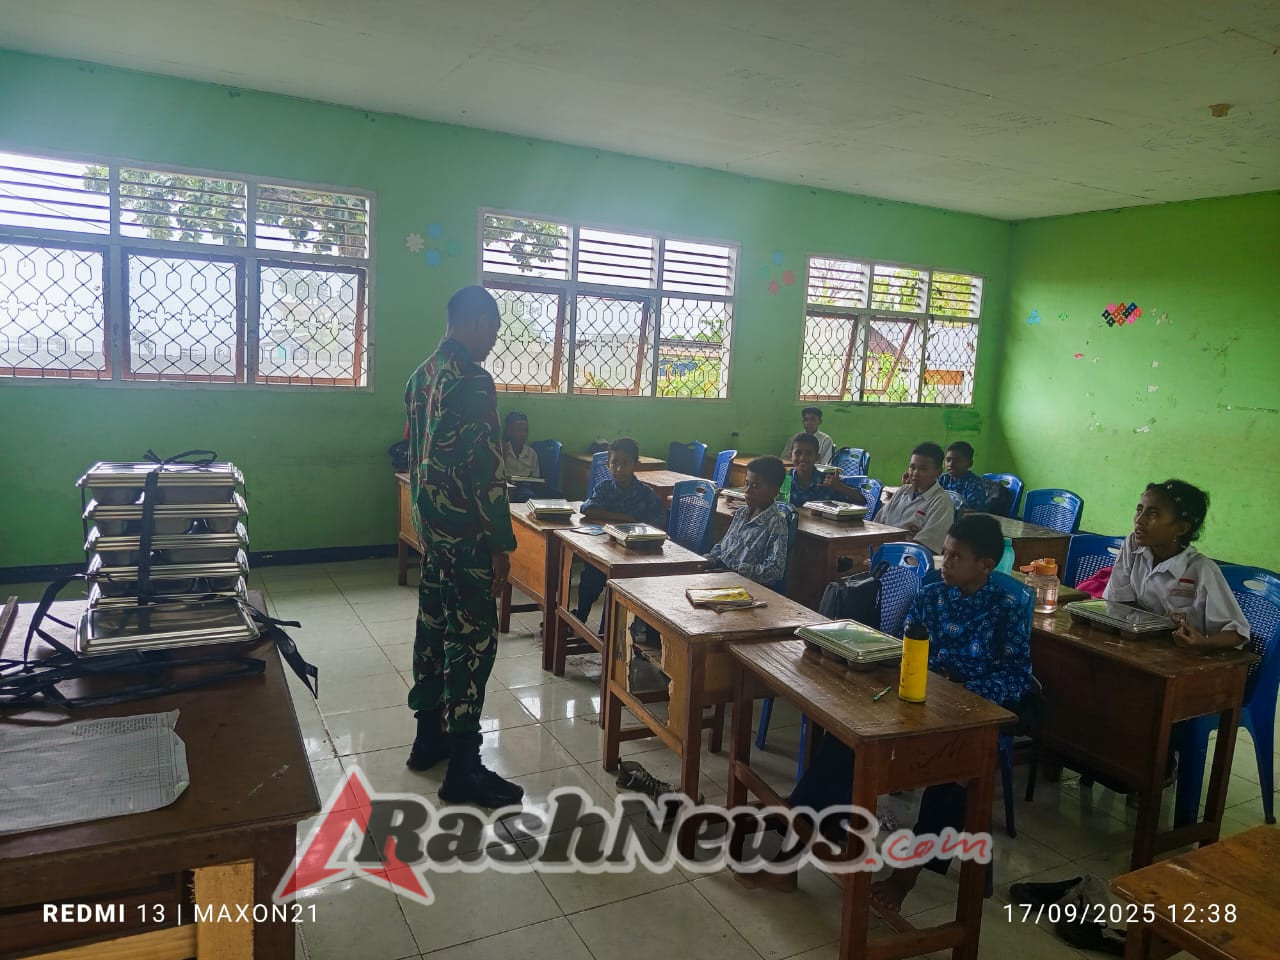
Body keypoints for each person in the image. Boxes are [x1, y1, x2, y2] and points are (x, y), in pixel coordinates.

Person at [741, 515, 1035, 896]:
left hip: (970, 714)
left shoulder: (1006, 608)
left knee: (956, 774)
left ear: (985, 565)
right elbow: (901, 650)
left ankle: (905, 876)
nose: (945, 562)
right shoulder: (931, 595)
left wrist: (965, 691)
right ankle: (797, 845)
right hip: (914, 700)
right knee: (848, 739)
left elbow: (1017, 676)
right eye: (944, 552)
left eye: (956, 556)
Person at [403, 285, 523, 808]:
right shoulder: (473, 381)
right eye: (492, 331)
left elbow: (415, 458)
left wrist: (425, 526)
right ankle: (464, 769)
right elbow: (486, 471)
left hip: (432, 532)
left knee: (432, 629)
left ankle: (428, 738)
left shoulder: (421, 376)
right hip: (467, 536)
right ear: (475, 323)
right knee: (472, 642)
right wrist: (501, 543)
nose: (493, 342)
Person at [1104, 480, 1249, 649]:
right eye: (1139, 510)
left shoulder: (1201, 569)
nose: (1139, 520)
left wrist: (1203, 642)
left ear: (1181, 528)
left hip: (1182, 655)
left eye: (1153, 514)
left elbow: (1237, 633)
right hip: (1141, 647)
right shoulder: (1133, 546)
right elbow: (1116, 602)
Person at [573, 438, 664, 624]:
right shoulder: (605, 488)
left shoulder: (645, 493)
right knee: (591, 576)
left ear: (636, 465)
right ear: (608, 464)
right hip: (606, 550)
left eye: (626, 463)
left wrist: (641, 531)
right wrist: (626, 518)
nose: (619, 469)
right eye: (615, 462)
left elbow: (659, 522)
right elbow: (587, 508)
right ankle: (580, 616)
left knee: (620, 589)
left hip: (635, 556)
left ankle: (608, 631)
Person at [705, 456, 791, 588]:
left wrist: (735, 572)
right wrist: (708, 560)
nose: (747, 490)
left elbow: (774, 571)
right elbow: (722, 546)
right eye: (746, 484)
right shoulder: (741, 513)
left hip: (743, 585)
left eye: (755, 486)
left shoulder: (777, 524)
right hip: (721, 574)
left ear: (774, 490)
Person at [878, 442, 955, 554]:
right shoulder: (902, 491)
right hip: (882, 551)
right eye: (912, 467)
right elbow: (878, 524)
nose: (915, 473)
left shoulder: (941, 502)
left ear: (938, 472)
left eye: (923, 469)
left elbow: (926, 546)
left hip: (907, 558)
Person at [784, 433, 864, 508]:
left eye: (808, 453)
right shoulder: (784, 480)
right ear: (790, 455)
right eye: (798, 453)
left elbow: (861, 500)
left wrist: (840, 486)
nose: (802, 458)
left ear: (817, 457)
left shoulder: (829, 481)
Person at [501, 411, 554, 503]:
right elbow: (497, 475)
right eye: (518, 430)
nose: (523, 434)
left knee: (533, 497)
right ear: (509, 432)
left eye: (525, 430)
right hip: (507, 487)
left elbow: (536, 478)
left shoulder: (531, 453)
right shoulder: (502, 450)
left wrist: (539, 484)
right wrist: (504, 454)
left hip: (525, 488)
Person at [938, 441, 987, 513]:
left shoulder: (975, 483)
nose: (951, 464)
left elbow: (973, 510)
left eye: (957, 461)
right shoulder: (942, 479)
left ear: (970, 463)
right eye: (948, 460)